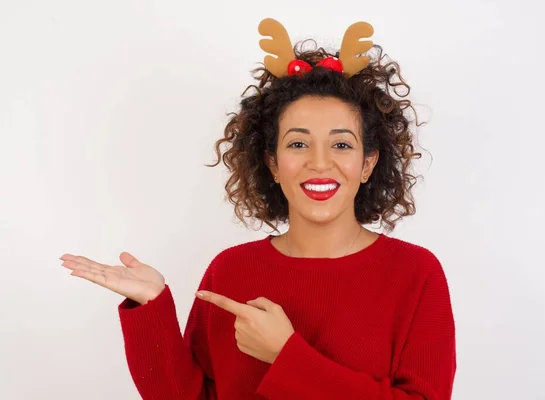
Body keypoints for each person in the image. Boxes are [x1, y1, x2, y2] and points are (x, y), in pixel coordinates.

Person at [60, 17, 456, 399]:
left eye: (341, 144)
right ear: (272, 164)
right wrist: (152, 309)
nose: (319, 162)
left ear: (368, 163)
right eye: (298, 144)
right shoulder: (230, 270)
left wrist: (288, 357)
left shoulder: (415, 275)